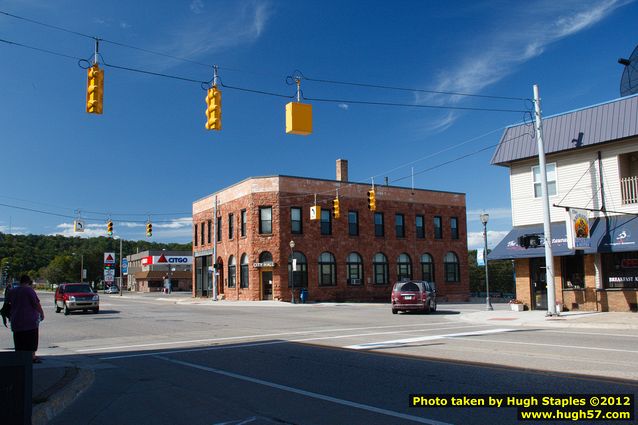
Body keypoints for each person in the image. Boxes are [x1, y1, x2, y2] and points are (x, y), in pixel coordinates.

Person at [7, 275, 45, 363]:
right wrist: (42, 313)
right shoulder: (29, 290)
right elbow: (36, 303)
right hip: (30, 320)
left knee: (19, 340)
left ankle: (19, 357)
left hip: (16, 319)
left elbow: (7, 304)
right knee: (31, 340)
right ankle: (32, 357)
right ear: (28, 282)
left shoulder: (12, 291)